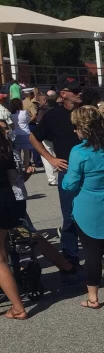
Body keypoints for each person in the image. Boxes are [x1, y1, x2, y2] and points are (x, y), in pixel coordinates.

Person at [62, 106, 104, 309]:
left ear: (83, 128)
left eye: (76, 127)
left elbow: (71, 184)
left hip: (87, 208)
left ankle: (93, 298)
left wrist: (65, 181)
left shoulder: (79, 152)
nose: (74, 131)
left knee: (92, 255)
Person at [28, 78, 83, 266]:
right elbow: (33, 137)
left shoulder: (87, 113)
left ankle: (101, 253)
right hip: (68, 172)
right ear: (63, 94)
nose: (79, 93)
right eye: (75, 90)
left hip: (91, 173)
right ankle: (71, 257)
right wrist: (50, 159)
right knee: (69, 217)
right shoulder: (54, 116)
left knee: (97, 214)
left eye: (80, 89)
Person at [0, 120, 30, 319]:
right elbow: (13, 178)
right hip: (7, 199)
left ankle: (18, 307)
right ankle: (17, 305)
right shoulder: (5, 149)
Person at [9, 97, 34, 172]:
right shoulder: (24, 112)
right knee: (26, 153)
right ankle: (27, 168)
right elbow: (28, 120)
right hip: (25, 133)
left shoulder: (11, 114)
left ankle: (19, 167)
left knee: (17, 152)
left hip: (15, 134)